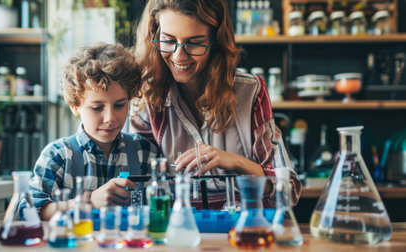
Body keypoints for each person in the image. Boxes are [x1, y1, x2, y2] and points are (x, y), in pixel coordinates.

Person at [130, 0, 301, 208]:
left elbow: (289, 190)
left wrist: (235, 162)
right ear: (154, 36)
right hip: (180, 232)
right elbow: (138, 190)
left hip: (244, 232)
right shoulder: (145, 98)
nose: (178, 56)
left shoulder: (250, 91)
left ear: (216, 42)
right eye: (168, 40)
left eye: (194, 42)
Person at [20, 42, 159, 220]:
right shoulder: (58, 155)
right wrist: (88, 202)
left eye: (120, 105)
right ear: (75, 106)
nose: (110, 117)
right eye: (97, 107)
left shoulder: (145, 152)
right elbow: (27, 212)